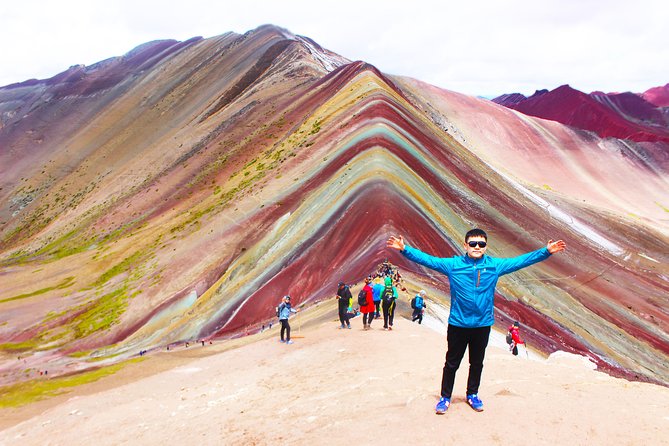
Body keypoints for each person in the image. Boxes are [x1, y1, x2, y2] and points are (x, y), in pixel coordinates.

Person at [387, 229, 566, 414]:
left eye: (481, 244)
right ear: (465, 245)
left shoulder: (494, 266)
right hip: (458, 324)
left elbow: (520, 261)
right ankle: (445, 397)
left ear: (486, 246)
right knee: (451, 363)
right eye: (473, 243)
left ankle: (472, 394)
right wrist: (404, 249)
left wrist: (546, 251)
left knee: (477, 362)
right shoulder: (453, 265)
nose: (477, 247)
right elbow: (428, 260)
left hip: (482, 324)